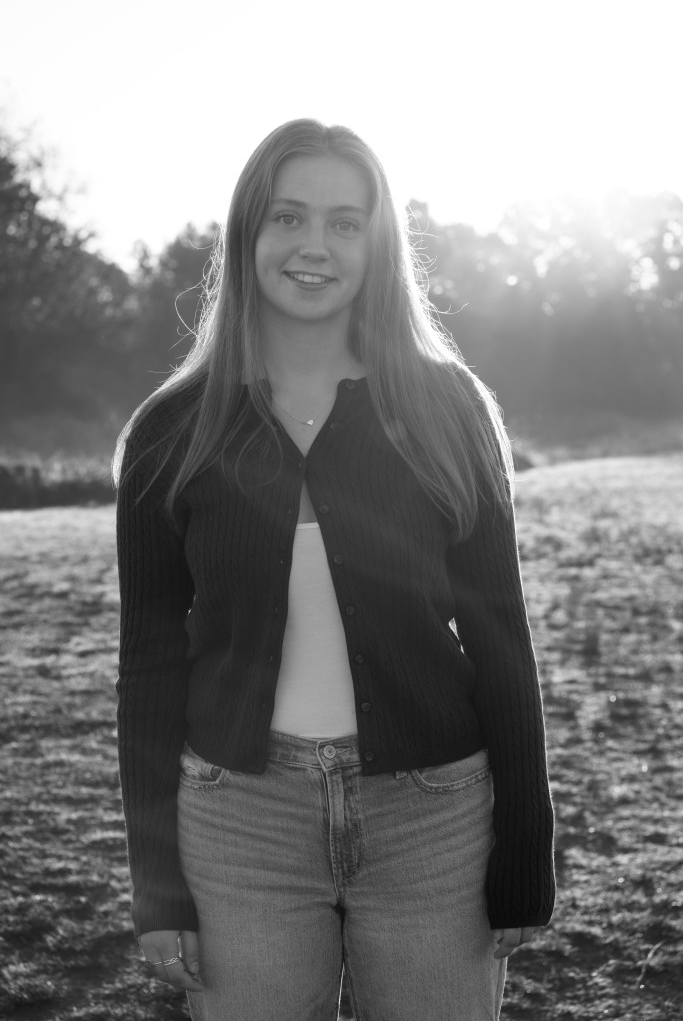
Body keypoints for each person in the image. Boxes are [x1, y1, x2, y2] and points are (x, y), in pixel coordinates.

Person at [114, 118, 555, 1021]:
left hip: (433, 818)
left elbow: (501, 639)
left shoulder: (446, 408)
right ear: (248, 234)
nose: (314, 245)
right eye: (288, 217)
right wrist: (157, 884)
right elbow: (149, 666)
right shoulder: (173, 428)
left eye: (345, 223)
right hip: (239, 826)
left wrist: (524, 847)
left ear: (377, 244)